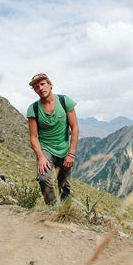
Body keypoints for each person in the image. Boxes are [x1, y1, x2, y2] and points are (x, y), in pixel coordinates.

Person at [26, 73, 79, 205]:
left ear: (50, 84)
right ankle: (52, 210)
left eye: (42, 84)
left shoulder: (64, 101)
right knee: (44, 179)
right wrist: (40, 157)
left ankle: (65, 213)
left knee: (65, 185)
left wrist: (71, 153)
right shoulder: (33, 109)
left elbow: (75, 127)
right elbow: (33, 136)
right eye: (37, 87)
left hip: (64, 149)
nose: (40, 88)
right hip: (45, 149)